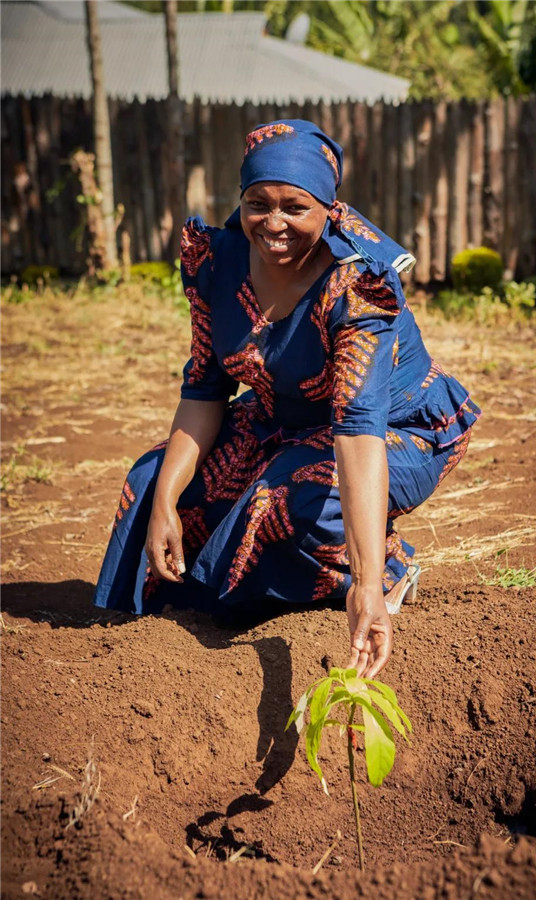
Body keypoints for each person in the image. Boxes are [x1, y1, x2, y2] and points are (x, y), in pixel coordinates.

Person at [94, 119, 480, 679]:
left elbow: (357, 430)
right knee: (153, 477)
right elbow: (204, 389)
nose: (273, 223)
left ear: (328, 207)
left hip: (396, 430)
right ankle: (171, 620)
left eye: (295, 207)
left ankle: (383, 572)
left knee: (290, 499)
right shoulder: (216, 260)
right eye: (258, 203)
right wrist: (164, 503)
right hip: (284, 420)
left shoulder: (357, 285)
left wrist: (367, 586)